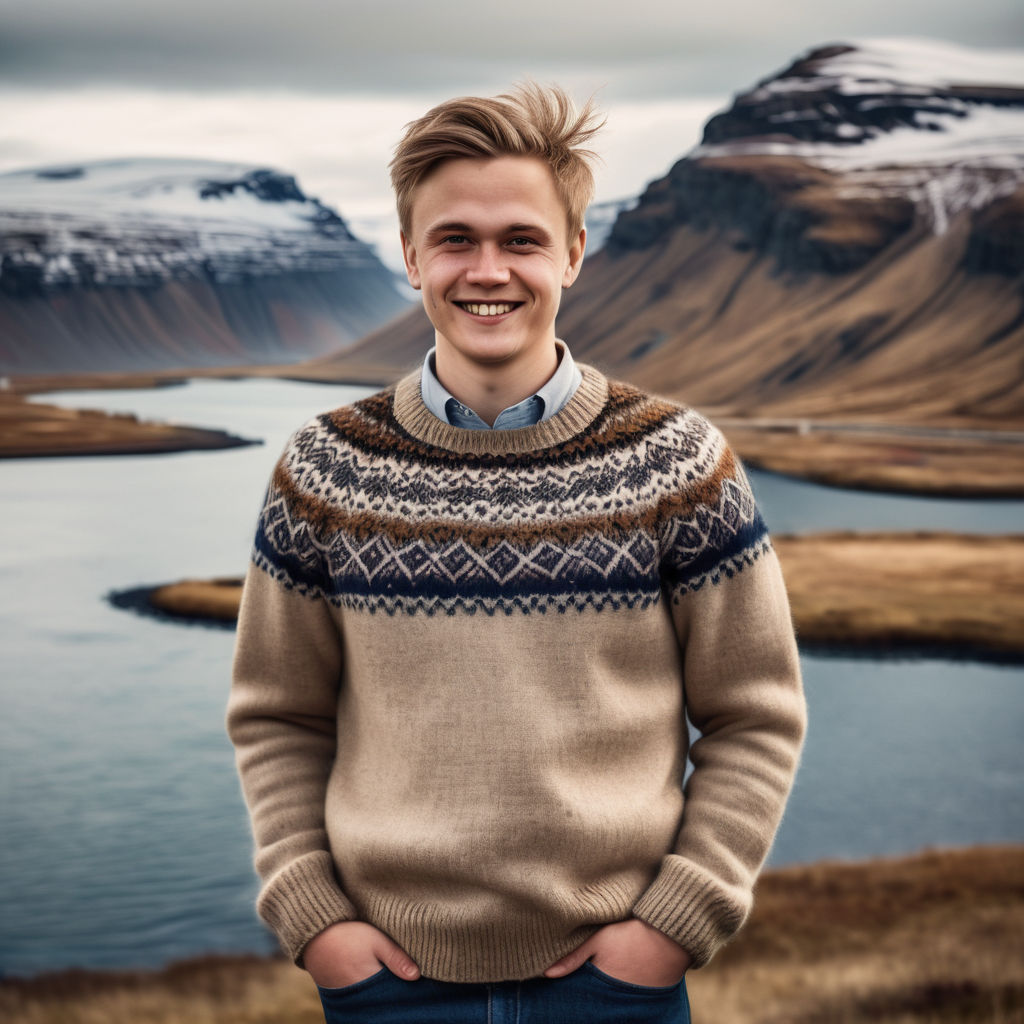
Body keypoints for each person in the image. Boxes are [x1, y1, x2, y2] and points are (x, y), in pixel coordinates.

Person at [227, 83, 806, 1024]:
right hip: (388, 993)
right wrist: (317, 921)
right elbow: (277, 717)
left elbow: (755, 717)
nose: (486, 270)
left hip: (616, 991)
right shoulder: (323, 469)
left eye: (521, 240)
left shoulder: (678, 461)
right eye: (454, 238)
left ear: (573, 254)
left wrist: (672, 927)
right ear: (411, 256)